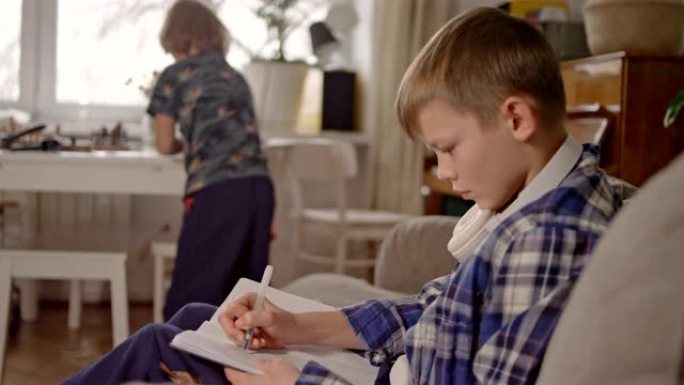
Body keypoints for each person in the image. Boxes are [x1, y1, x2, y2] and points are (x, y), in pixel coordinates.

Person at [62, 7, 623, 385]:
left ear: (517, 117)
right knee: (192, 316)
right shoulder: (542, 204)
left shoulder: (546, 239)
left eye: (448, 148)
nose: (445, 172)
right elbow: (437, 308)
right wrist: (301, 326)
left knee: (166, 338)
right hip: (391, 353)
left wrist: (301, 381)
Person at [147, 0, 275, 321]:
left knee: (190, 298)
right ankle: (232, 368)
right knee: (245, 299)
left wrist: (183, 143)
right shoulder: (235, 75)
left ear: (175, 36)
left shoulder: (173, 76)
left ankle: (174, 365)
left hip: (217, 190)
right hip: (259, 188)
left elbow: (163, 144)